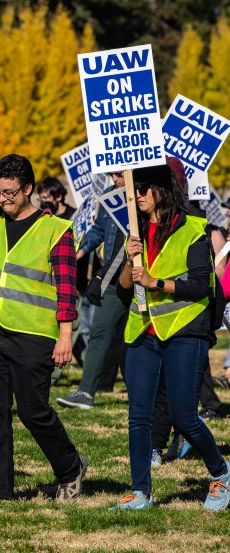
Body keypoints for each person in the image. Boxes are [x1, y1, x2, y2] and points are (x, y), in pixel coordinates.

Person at [0, 154, 87, 500]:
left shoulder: (56, 230)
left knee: (34, 411)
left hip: (35, 334)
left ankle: (70, 467)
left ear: (29, 189)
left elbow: (67, 287)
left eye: (10, 192)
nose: (3, 199)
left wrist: (65, 335)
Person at [110, 163, 229, 511]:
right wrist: (129, 265)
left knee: (183, 415)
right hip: (143, 332)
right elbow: (121, 293)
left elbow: (201, 287)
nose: (136, 194)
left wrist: (155, 283)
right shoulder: (133, 229)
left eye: (143, 187)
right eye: (135, 188)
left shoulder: (193, 229)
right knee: (139, 416)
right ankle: (140, 493)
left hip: (184, 330)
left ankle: (221, 471)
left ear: (163, 189)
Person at [56, 171, 131, 411]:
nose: (114, 179)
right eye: (112, 174)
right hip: (110, 276)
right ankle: (86, 392)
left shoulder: (146, 196)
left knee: (138, 339)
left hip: (141, 276)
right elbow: (99, 230)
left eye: (118, 174)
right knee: (99, 332)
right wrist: (81, 249)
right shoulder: (109, 196)